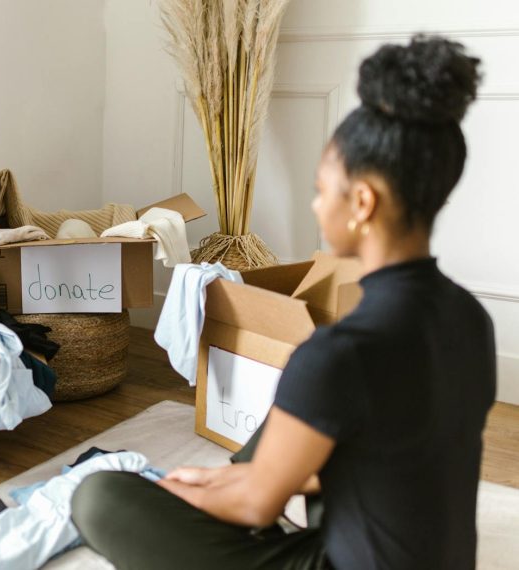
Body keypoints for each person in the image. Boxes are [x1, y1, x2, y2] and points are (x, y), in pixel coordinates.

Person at [70, 35, 496, 570]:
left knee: (98, 497)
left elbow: (256, 507)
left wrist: (189, 493)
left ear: (362, 202)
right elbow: (400, 458)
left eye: (322, 189)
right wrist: (229, 478)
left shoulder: (340, 351)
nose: (317, 206)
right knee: (294, 425)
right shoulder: (470, 318)